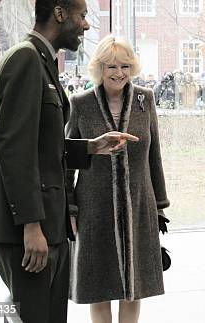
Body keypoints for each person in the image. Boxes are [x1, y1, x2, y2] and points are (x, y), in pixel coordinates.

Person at [0, 0, 138, 323]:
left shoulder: (42, 61)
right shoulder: (25, 60)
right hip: (30, 228)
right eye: (82, 16)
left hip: (48, 222)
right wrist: (31, 225)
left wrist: (89, 147)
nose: (87, 25)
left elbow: (41, 144)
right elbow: (14, 149)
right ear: (59, 14)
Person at [67, 35, 170, 323]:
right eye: (111, 66)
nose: (119, 73)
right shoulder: (81, 103)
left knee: (133, 287)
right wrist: (70, 208)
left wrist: (159, 205)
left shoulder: (144, 98)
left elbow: (154, 154)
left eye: (125, 66)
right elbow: (66, 160)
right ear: (99, 68)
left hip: (139, 203)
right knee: (98, 285)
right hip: (93, 207)